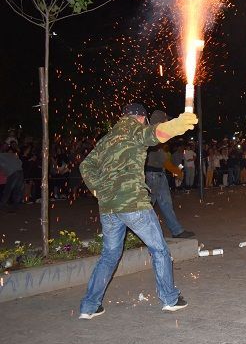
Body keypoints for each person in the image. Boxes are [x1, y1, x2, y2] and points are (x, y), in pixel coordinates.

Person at [78, 103, 197, 319]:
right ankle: (169, 299)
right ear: (141, 118)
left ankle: (89, 306)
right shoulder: (134, 129)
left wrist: (99, 189)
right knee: (159, 249)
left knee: (109, 255)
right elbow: (156, 134)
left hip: (108, 207)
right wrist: (179, 124)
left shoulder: (107, 138)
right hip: (133, 203)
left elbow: (85, 166)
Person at [145, 110, 195, 239]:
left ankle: (176, 230)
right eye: (166, 120)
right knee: (147, 206)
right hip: (152, 175)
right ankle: (142, 234)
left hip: (158, 174)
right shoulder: (152, 135)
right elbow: (163, 160)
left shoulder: (158, 136)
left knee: (165, 204)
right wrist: (177, 171)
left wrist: (176, 169)